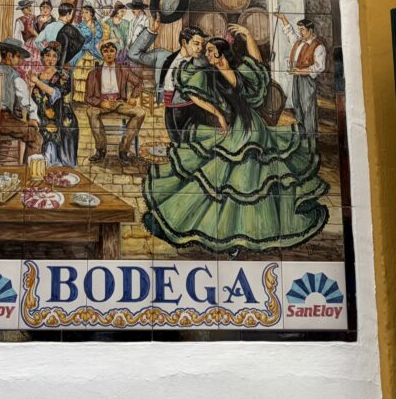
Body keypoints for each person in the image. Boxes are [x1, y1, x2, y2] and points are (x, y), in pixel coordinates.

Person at [142, 25, 330, 254]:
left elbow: (257, 61)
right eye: (206, 51)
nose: (207, 54)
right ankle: (227, 235)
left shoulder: (239, 70)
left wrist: (249, 35)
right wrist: (219, 115)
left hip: (251, 129)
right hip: (232, 129)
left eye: (211, 51)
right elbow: (191, 93)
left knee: (250, 181)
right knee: (223, 180)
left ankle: (246, 233)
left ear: (222, 54)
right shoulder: (207, 73)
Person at [127, 15, 207, 143]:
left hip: (191, 109)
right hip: (169, 108)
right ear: (184, 43)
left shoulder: (201, 62)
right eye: (196, 44)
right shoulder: (162, 56)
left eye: (202, 45)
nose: (200, 48)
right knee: (174, 142)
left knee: (189, 144)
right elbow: (133, 54)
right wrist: (151, 32)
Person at [85, 41, 146, 166]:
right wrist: (101, 103)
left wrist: (133, 97)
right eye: (105, 51)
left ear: (116, 53)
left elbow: (139, 83)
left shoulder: (123, 69)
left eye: (112, 51)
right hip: (102, 103)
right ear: (102, 53)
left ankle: (123, 150)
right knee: (90, 111)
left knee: (140, 112)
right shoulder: (93, 73)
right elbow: (88, 97)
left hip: (119, 102)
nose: (109, 54)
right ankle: (101, 149)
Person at [0, 37, 43, 158]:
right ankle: (30, 168)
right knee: (36, 136)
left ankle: (0, 161)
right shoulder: (13, 75)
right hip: (2, 121)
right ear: (10, 56)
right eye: (18, 56)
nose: (20, 60)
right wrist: (33, 117)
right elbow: (26, 100)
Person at [275, 13, 326, 148]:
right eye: (299, 30)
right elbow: (290, 34)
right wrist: (283, 19)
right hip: (297, 79)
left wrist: (301, 71)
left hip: (307, 81)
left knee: (308, 108)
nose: (300, 32)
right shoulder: (298, 43)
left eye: (302, 30)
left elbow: (319, 67)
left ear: (311, 31)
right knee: (297, 105)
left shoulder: (318, 46)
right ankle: (302, 139)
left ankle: (312, 141)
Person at [31, 42, 79, 167]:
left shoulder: (63, 75)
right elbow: (34, 100)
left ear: (57, 59)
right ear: (42, 58)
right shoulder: (37, 76)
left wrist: (37, 82)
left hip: (62, 116)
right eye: (47, 55)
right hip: (44, 118)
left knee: (64, 161)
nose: (50, 59)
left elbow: (56, 94)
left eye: (54, 56)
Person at [34, 2, 84, 67]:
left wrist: (46, 52)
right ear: (68, 14)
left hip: (50, 61)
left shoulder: (49, 26)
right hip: (63, 63)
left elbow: (37, 41)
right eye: (72, 14)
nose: (72, 16)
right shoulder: (69, 29)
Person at [13, 0, 40, 78]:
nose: (29, 9)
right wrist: (20, 47)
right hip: (28, 44)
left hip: (38, 42)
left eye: (30, 6)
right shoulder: (20, 21)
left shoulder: (35, 18)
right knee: (28, 63)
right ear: (22, 10)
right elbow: (16, 36)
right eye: (26, 8)